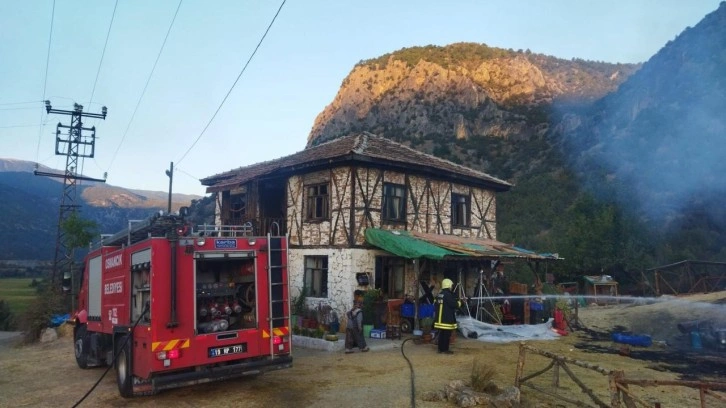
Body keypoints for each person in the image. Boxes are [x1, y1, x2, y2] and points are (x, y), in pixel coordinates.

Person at [433, 278, 462, 354]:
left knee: (441, 334)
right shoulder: (448, 295)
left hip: (439, 319)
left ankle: (440, 349)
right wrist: (460, 302)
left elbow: (436, 303)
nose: (451, 287)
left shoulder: (439, 294)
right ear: (448, 285)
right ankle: (445, 350)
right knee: (446, 335)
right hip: (446, 320)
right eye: (451, 286)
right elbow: (454, 305)